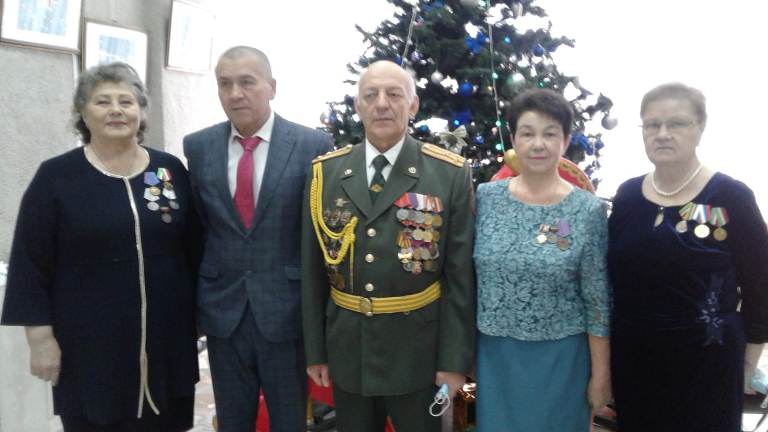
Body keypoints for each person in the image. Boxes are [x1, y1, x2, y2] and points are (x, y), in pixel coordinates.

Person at [0, 62, 201, 431]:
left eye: (126, 101)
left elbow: (195, 248)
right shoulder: (57, 177)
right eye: (102, 101)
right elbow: (30, 261)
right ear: (82, 112)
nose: (116, 110)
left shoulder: (168, 171)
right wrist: (40, 338)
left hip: (167, 339)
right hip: (90, 343)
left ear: (141, 112)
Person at [301, 60, 476, 431]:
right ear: (358, 106)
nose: (381, 103)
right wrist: (316, 350)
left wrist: (453, 361)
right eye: (370, 95)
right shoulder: (325, 174)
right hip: (348, 349)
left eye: (394, 94)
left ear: (412, 105)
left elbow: (460, 279)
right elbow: (313, 272)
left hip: (418, 353)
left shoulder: (448, 174)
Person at [183, 46, 332, 431]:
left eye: (247, 82)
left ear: (272, 87)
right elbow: (199, 226)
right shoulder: (198, 147)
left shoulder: (312, 145)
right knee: (233, 422)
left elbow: (319, 234)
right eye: (225, 84)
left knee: (288, 422)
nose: (235, 94)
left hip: (286, 309)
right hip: (224, 309)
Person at [608, 82, 768, 431]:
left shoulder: (731, 197)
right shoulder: (628, 196)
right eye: (652, 124)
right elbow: (611, 278)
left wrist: (750, 356)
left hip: (709, 361)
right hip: (635, 359)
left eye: (677, 123)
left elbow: (760, 282)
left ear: (700, 127)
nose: (663, 134)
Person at [473, 88, 612, 431]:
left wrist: (601, 374)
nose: (538, 144)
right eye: (528, 133)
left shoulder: (587, 210)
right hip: (495, 358)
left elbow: (597, 300)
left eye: (550, 134)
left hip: (562, 360)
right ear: (514, 140)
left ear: (565, 141)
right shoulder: (486, 198)